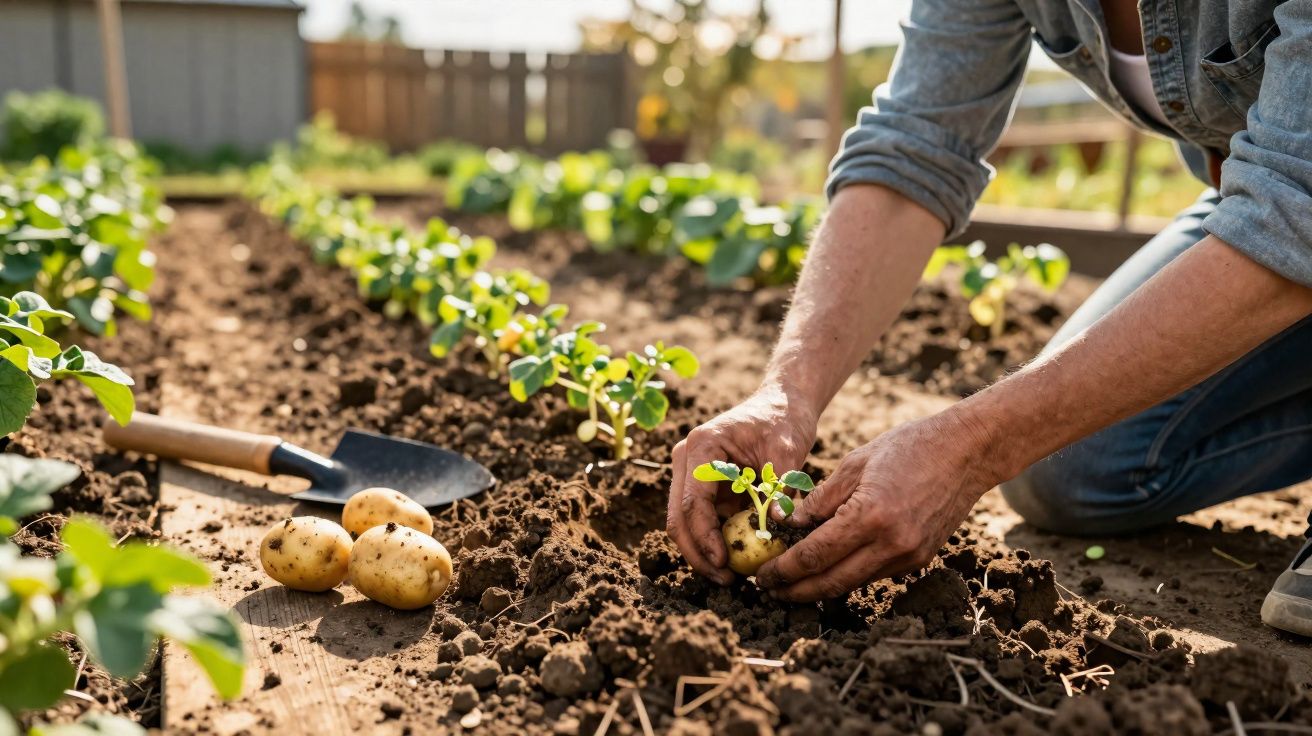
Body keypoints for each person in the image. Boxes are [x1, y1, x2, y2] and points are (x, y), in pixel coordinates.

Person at [665, 0, 1312, 637]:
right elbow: (917, 142)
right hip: (1268, 202)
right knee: (1072, 465)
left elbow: (1296, 205)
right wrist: (787, 394)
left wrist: (973, 446)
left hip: (1295, 201)